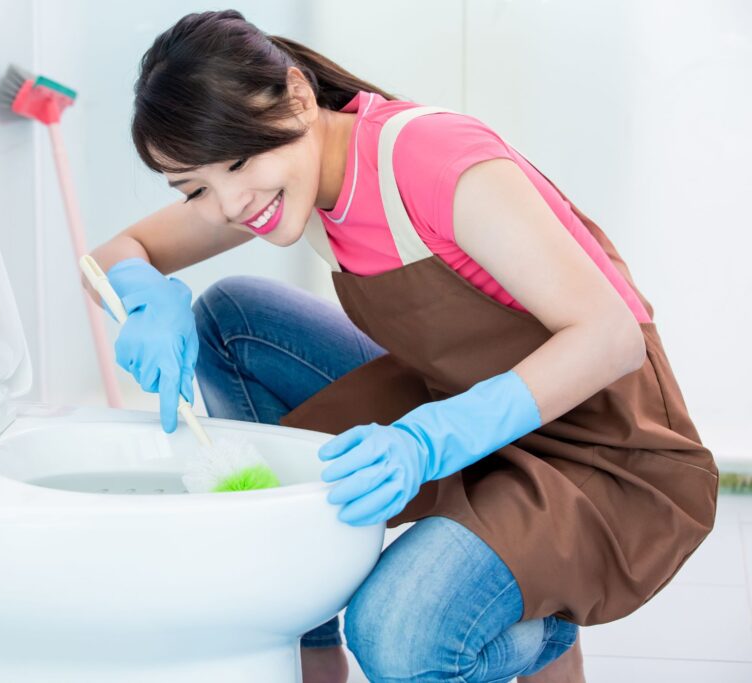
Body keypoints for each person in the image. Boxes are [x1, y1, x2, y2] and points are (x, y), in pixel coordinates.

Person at [82, 10, 717, 683]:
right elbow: (111, 256)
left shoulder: (428, 160)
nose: (233, 205)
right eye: (195, 188)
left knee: (399, 632)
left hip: (596, 443)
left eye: (239, 161)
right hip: (460, 402)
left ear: (298, 97)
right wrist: (142, 294)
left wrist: (428, 439)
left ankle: (544, 628)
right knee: (229, 322)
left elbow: (610, 336)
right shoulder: (280, 180)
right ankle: (310, 643)